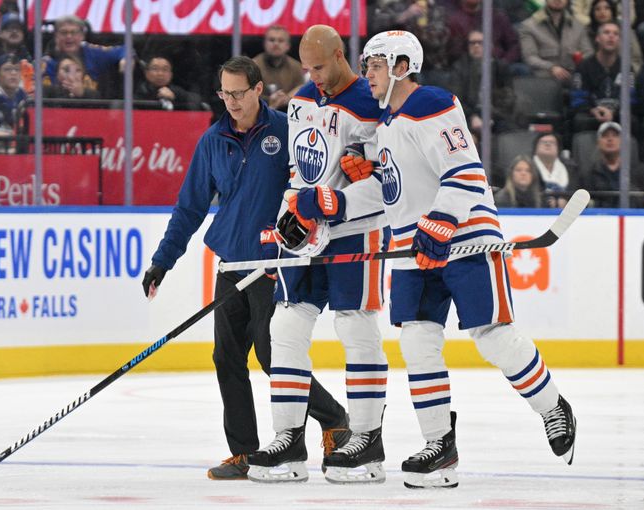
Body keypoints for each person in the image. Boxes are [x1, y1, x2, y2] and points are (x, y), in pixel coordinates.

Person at [362, 30, 576, 489]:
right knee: (417, 342)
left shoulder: (431, 102)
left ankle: (552, 407)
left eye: (375, 65)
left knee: (493, 335)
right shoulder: (384, 126)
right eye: (365, 65)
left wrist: (441, 221)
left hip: (464, 235)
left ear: (402, 66)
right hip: (410, 248)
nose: (368, 75)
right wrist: (340, 201)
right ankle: (440, 446)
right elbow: (393, 195)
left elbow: (465, 170)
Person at [141, 56, 349, 482]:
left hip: (274, 264)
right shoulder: (213, 139)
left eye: (238, 93)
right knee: (227, 356)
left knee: (273, 355)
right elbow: (191, 207)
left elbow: (316, 179)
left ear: (257, 89)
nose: (231, 102)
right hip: (233, 262)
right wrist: (163, 260)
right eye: (224, 93)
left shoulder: (286, 130)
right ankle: (244, 451)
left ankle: (334, 418)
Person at [246, 25, 389, 485]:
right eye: (307, 68)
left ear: (342, 54)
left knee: (355, 325)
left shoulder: (374, 102)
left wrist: (370, 174)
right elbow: (298, 169)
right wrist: (290, 213)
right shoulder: (303, 101)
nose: (314, 76)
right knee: (285, 325)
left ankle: (367, 440)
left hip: (356, 231)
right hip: (306, 231)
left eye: (321, 66)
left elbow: (391, 177)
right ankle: (288, 441)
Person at [569, 21, 637, 133]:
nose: (611, 36)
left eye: (616, 34)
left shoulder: (626, 67)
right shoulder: (584, 66)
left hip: (617, 114)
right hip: (592, 114)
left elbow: (631, 99)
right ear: (597, 38)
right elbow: (577, 98)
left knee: (632, 121)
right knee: (579, 120)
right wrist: (592, 110)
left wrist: (614, 113)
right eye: (606, 32)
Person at [42, 15, 126, 97]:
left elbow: (124, 50)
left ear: (82, 36)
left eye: (74, 32)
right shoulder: (45, 63)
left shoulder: (93, 52)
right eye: (64, 33)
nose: (69, 36)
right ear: (56, 35)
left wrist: (126, 59)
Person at [518, 0, 593, 83]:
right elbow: (530, 57)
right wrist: (551, 67)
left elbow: (589, 53)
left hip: (574, 78)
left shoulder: (578, 25)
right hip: (543, 79)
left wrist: (579, 62)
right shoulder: (529, 26)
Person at [251, 26, 305, 111]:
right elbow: (248, 94)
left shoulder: (296, 66)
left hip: (289, 112)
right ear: (265, 44)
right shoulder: (253, 66)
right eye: (272, 40)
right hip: (259, 112)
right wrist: (269, 100)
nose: (276, 43)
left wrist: (288, 98)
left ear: (288, 46)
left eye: (280, 40)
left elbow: (301, 89)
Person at [135, 55, 201, 110]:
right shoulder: (140, 91)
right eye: (155, 69)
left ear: (170, 75)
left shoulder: (176, 91)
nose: (160, 73)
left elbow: (196, 100)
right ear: (147, 73)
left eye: (165, 69)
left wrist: (175, 98)